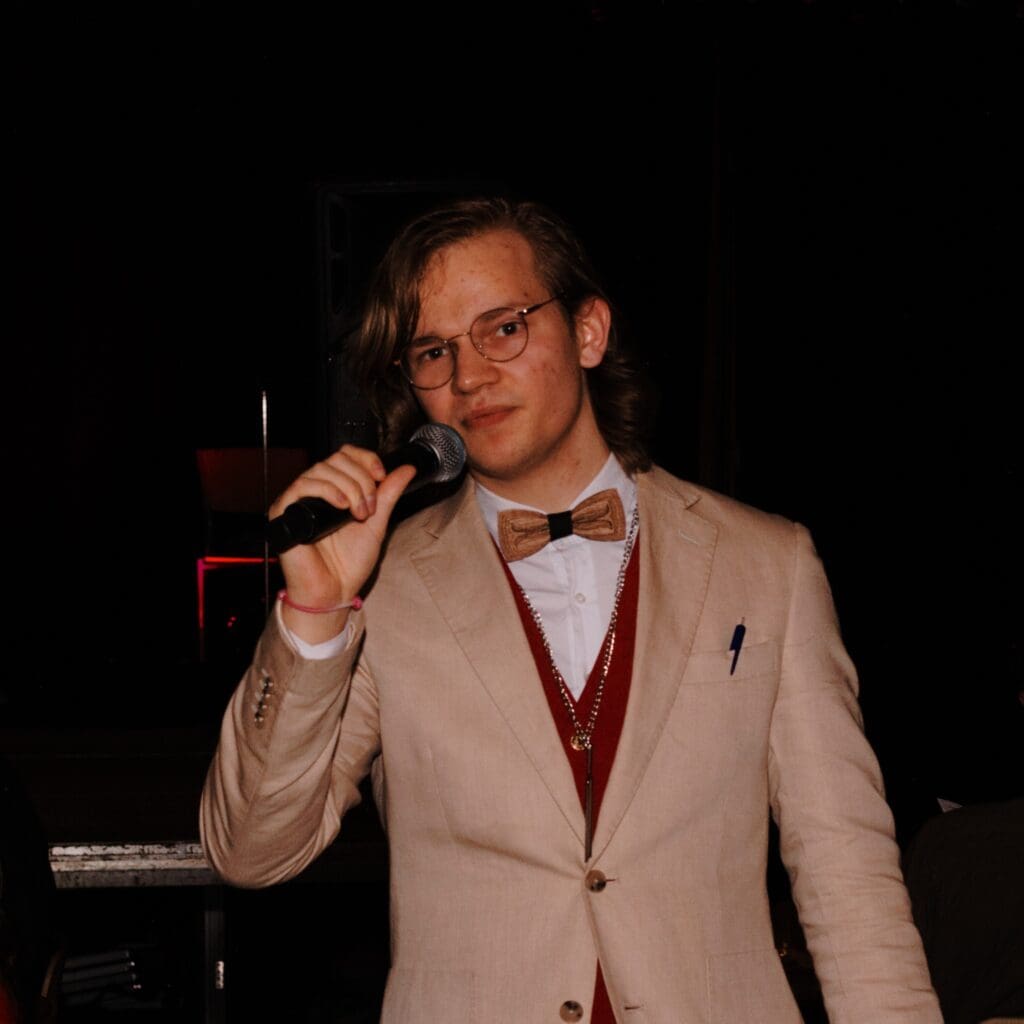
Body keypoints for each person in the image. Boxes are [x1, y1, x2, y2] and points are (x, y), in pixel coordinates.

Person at [200, 196, 941, 1022]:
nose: (469, 376)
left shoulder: (768, 563)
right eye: (435, 351)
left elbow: (847, 871)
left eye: (503, 328)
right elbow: (250, 852)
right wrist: (314, 614)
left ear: (589, 331)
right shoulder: (386, 588)